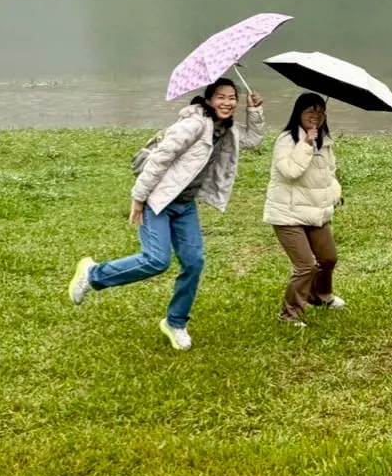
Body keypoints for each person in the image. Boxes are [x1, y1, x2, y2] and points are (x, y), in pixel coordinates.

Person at [68, 77, 265, 350]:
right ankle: (93, 275)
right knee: (156, 260)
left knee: (194, 262)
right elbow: (160, 158)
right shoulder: (193, 125)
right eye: (221, 97)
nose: (228, 102)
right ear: (208, 100)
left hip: (184, 205)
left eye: (233, 97)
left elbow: (253, 140)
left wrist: (254, 111)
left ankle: (175, 322)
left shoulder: (227, 128)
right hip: (158, 200)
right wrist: (138, 198)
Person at [263, 92, 345, 327]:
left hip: (314, 211)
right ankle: (289, 315)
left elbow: (329, 175)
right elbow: (290, 171)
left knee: (328, 258)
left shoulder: (326, 141)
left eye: (320, 112)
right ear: (298, 113)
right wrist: (306, 143)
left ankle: (320, 296)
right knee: (305, 266)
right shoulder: (286, 140)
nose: (315, 116)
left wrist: (335, 195)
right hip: (287, 213)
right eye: (310, 112)